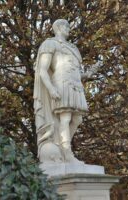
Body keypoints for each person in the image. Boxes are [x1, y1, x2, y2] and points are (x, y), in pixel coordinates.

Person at [34, 19, 98, 163]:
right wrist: (51, 89)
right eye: (66, 26)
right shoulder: (50, 43)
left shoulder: (73, 48)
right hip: (61, 84)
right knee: (65, 117)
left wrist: (88, 74)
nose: (68, 28)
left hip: (75, 85)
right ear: (57, 27)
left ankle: (62, 146)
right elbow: (43, 70)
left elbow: (74, 71)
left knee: (78, 119)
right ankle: (67, 153)